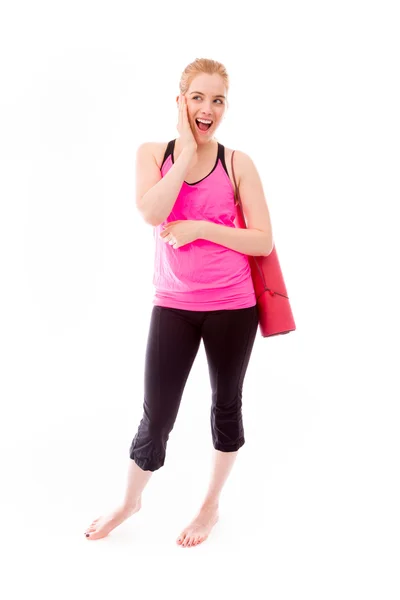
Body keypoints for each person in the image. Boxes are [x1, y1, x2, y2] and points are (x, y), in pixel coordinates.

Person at [85, 58, 273, 547]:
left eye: (217, 100)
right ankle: (130, 502)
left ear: (225, 107)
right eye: (198, 97)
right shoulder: (154, 153)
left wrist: (203, 229)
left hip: (234, 306)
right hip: (173, 303)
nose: (207, 108)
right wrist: (187, 154)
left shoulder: (238, 162)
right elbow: (151, 211)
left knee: (225, 407)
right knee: (157, 414)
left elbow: (263, 241)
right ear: (180, 100)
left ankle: (210, 506)